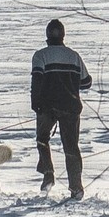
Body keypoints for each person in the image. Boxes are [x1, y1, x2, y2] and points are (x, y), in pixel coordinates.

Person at [31, 17, 93, 199]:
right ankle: (76, 187)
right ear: (63, 35)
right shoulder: (74, 56)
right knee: (71, 147)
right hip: (71, 108)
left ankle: (48, 174)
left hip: (47, 107)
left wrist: (36, 103)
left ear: (47, 36)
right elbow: (86, 82)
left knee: (42, 139)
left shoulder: (40, 55)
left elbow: (37, 80)